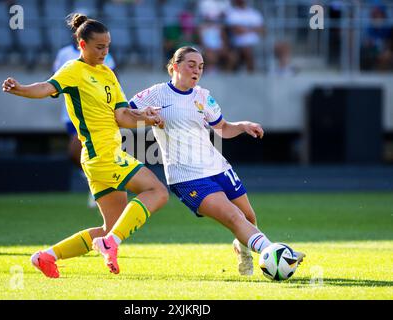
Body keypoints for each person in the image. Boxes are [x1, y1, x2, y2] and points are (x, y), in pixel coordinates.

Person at [2, 13, 169, 277]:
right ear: (82, 45)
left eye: (108, 47)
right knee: (158, 192)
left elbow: (122, 116)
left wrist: (147, 119)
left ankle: (47, 256)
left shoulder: (108, 74)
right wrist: (20, 88)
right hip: (101, 156)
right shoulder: (73, 70)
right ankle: (109, 244)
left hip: (104, 157)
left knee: (111, 228)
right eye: (99, 47)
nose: (104, 52)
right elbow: (46, 88)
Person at [127, 46, 305, 276]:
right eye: (191, 64)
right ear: (174, 67)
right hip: (187, 176)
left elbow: (221, 128)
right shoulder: (156, 94)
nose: (196, 70)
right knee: (233, 216)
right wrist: (144, 116)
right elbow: (123, 115)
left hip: (217, 166)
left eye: (200, 66)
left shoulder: (202, 96)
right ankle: (276, 255)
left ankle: (245, 251)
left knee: (249, 217)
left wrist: (241, 126)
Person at [53, 24, 117, 208]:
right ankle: (97, 181)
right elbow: (56, 79)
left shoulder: (104, 57)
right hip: (71, 112)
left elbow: (113, 78)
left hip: (94, 113)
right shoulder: (65, 56)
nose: (104, 50)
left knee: (78, 148)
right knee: (76, 153)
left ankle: (100, 184)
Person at [224, 0, 264, 73]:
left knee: (283, 46)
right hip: (237, 44)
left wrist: (244, 28)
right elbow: (236, 30)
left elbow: (262, 30)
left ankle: (284, 71)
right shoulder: (232, 13)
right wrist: (253, 28)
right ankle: (252, 75)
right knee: (247, 50)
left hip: (256, 44)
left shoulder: (254, 13)